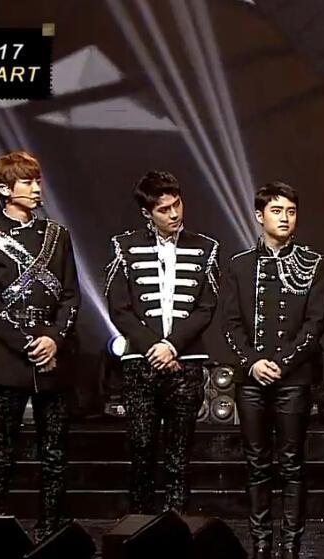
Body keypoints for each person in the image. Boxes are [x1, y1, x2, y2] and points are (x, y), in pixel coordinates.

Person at [0, 150, 80, 542]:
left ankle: (51, 529)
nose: (36, 189)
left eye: (37, 181)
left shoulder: (57, 235)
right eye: (27, 182)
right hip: (7, 358)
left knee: (55, 453)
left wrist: (54, 338)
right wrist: (26, 342)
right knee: (2, 451)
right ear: (4, 189)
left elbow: (71, 295)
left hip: (55, 355)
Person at [221, 181, 324, 559]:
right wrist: (253, 361)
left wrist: (281, 361)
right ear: (259, 215)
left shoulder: (314, 263)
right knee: (257, 463)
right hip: (251, 379)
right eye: (277, 210)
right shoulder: (239, 265)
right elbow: (230, 324)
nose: (285, 218)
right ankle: (261, 546)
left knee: (292, 463)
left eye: (291, 211)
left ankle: (290, 549)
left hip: (293, 378)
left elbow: (315, 324)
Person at [104, 170, 219, 514]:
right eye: (164, 209)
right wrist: (152, 346)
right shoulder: (123, 247)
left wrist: (172, 346)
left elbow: (207, 306)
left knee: (180, 453)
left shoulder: (206, 247)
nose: (174, 214)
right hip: (140, 363)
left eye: (177, 205)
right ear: (147, 212)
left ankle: (177, 524)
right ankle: (139, 523)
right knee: (141, 448)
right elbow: (119, 307)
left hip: (186, 363)